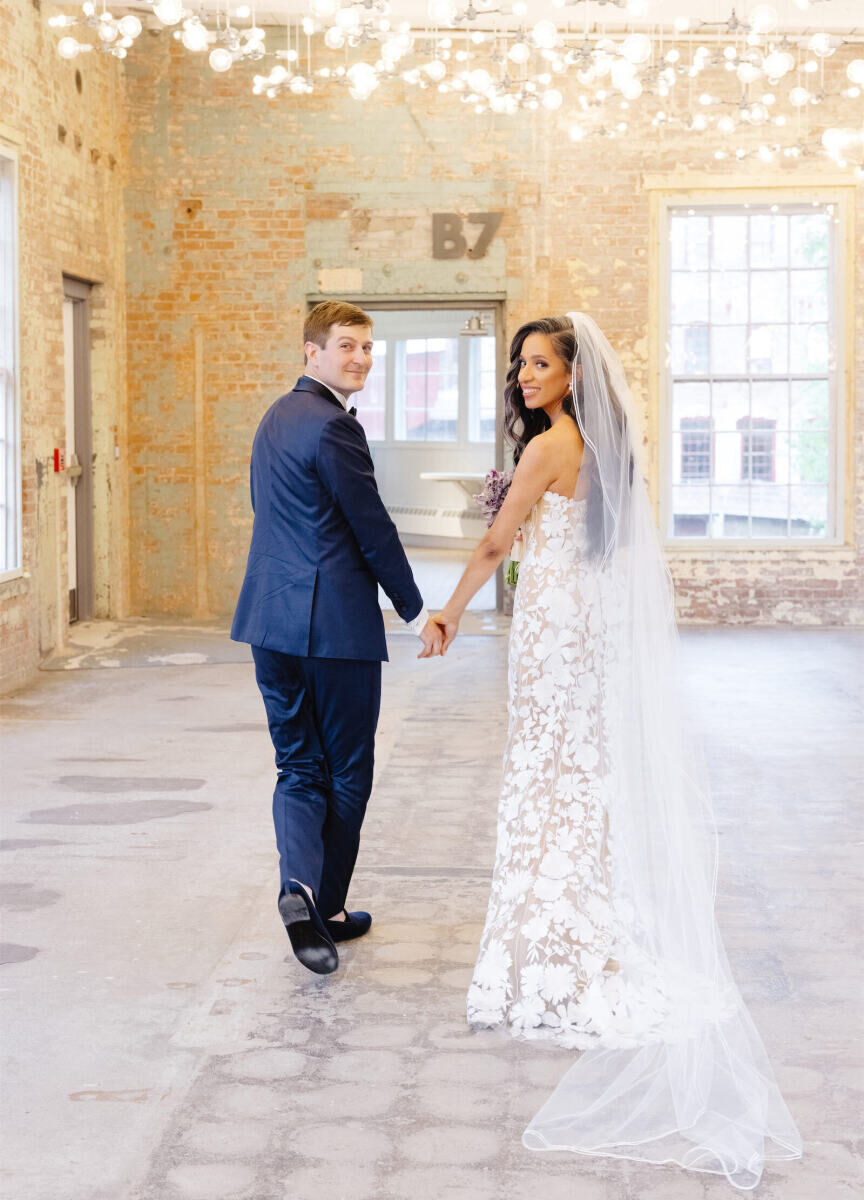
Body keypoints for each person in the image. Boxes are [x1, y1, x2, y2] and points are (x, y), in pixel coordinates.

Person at [433, 313, 802, 1189]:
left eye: (539, 363)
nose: (525, 375)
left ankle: (549, 954)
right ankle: (580, 933)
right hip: (589, 631)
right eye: (520, 363)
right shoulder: (608, 449)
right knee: (579, 777)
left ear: (571, 376)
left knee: (545, 774)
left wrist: (448, 609)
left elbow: (498, 542)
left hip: (554, 629)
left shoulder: (547, 448)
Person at [232, 300, 443, 976]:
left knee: (298, 765)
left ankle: (299, 889)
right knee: (347, 770)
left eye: (366, 349)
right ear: (311, 353)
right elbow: (371, 527)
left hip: (269, 619)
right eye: (346, 346)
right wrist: (416, 610)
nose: (359, 359)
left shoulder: (274, 419)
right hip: (335, 629)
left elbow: (273, 513)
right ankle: (326, 908)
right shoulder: (333, 428)